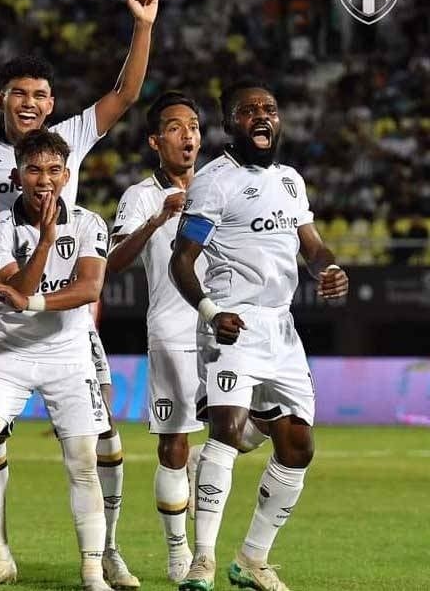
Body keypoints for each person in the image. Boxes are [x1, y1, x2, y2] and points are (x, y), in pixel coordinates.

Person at [0, 0, 159, 589]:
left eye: (40, 95)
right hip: (1, 307)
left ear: (51, 106)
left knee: (100, 441)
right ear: (1, 98)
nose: (30, 102)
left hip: (68, 319)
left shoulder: (70, 139)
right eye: (19, 93)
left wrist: (143, 25)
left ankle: (106, 552)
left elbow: (126, 93)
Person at [170, 80, 349, 591]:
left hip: (281, 329)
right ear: (231, 124)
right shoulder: (215, 181)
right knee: (227, 428)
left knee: (297, 445)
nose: (261, 116)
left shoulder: (292, 181)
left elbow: (311, 247)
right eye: (248, 111)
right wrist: (209, 311)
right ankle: (202, 560)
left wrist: (330, 268)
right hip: (235, 323)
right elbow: (181, 259)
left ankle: (252, 558)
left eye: (268, 109)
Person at [0, 129, 113, 591]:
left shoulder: (89, 223)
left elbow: (89, 289)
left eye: (52, 171)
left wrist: (36, 304)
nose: (43, 180)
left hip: (68, 356)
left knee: (84, 458)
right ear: (17, 174)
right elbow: (17, 290)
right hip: (10, 352)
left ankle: (91, 570)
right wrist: (44, 243)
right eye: (33, 170)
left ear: (66, 175)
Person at [106, 91, 204, 582]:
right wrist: (158, 219)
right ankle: (179, 553)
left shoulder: (217, 187)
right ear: (154, 140)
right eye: (175, 126)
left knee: (254, 429)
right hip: (172, 330)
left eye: (193, 125)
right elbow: (112, 263)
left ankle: (205, 473)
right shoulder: (140, 195)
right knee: (175, 445)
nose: (187, 134)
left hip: (226, 329)